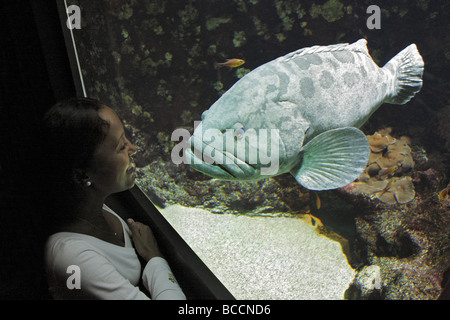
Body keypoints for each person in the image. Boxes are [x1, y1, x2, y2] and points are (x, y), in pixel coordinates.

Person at [41, 97, 186, 300]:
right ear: (83, 175)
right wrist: (155, 258)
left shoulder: (92, 203)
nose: (133, 148)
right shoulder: (72, 258)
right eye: (120, 147)